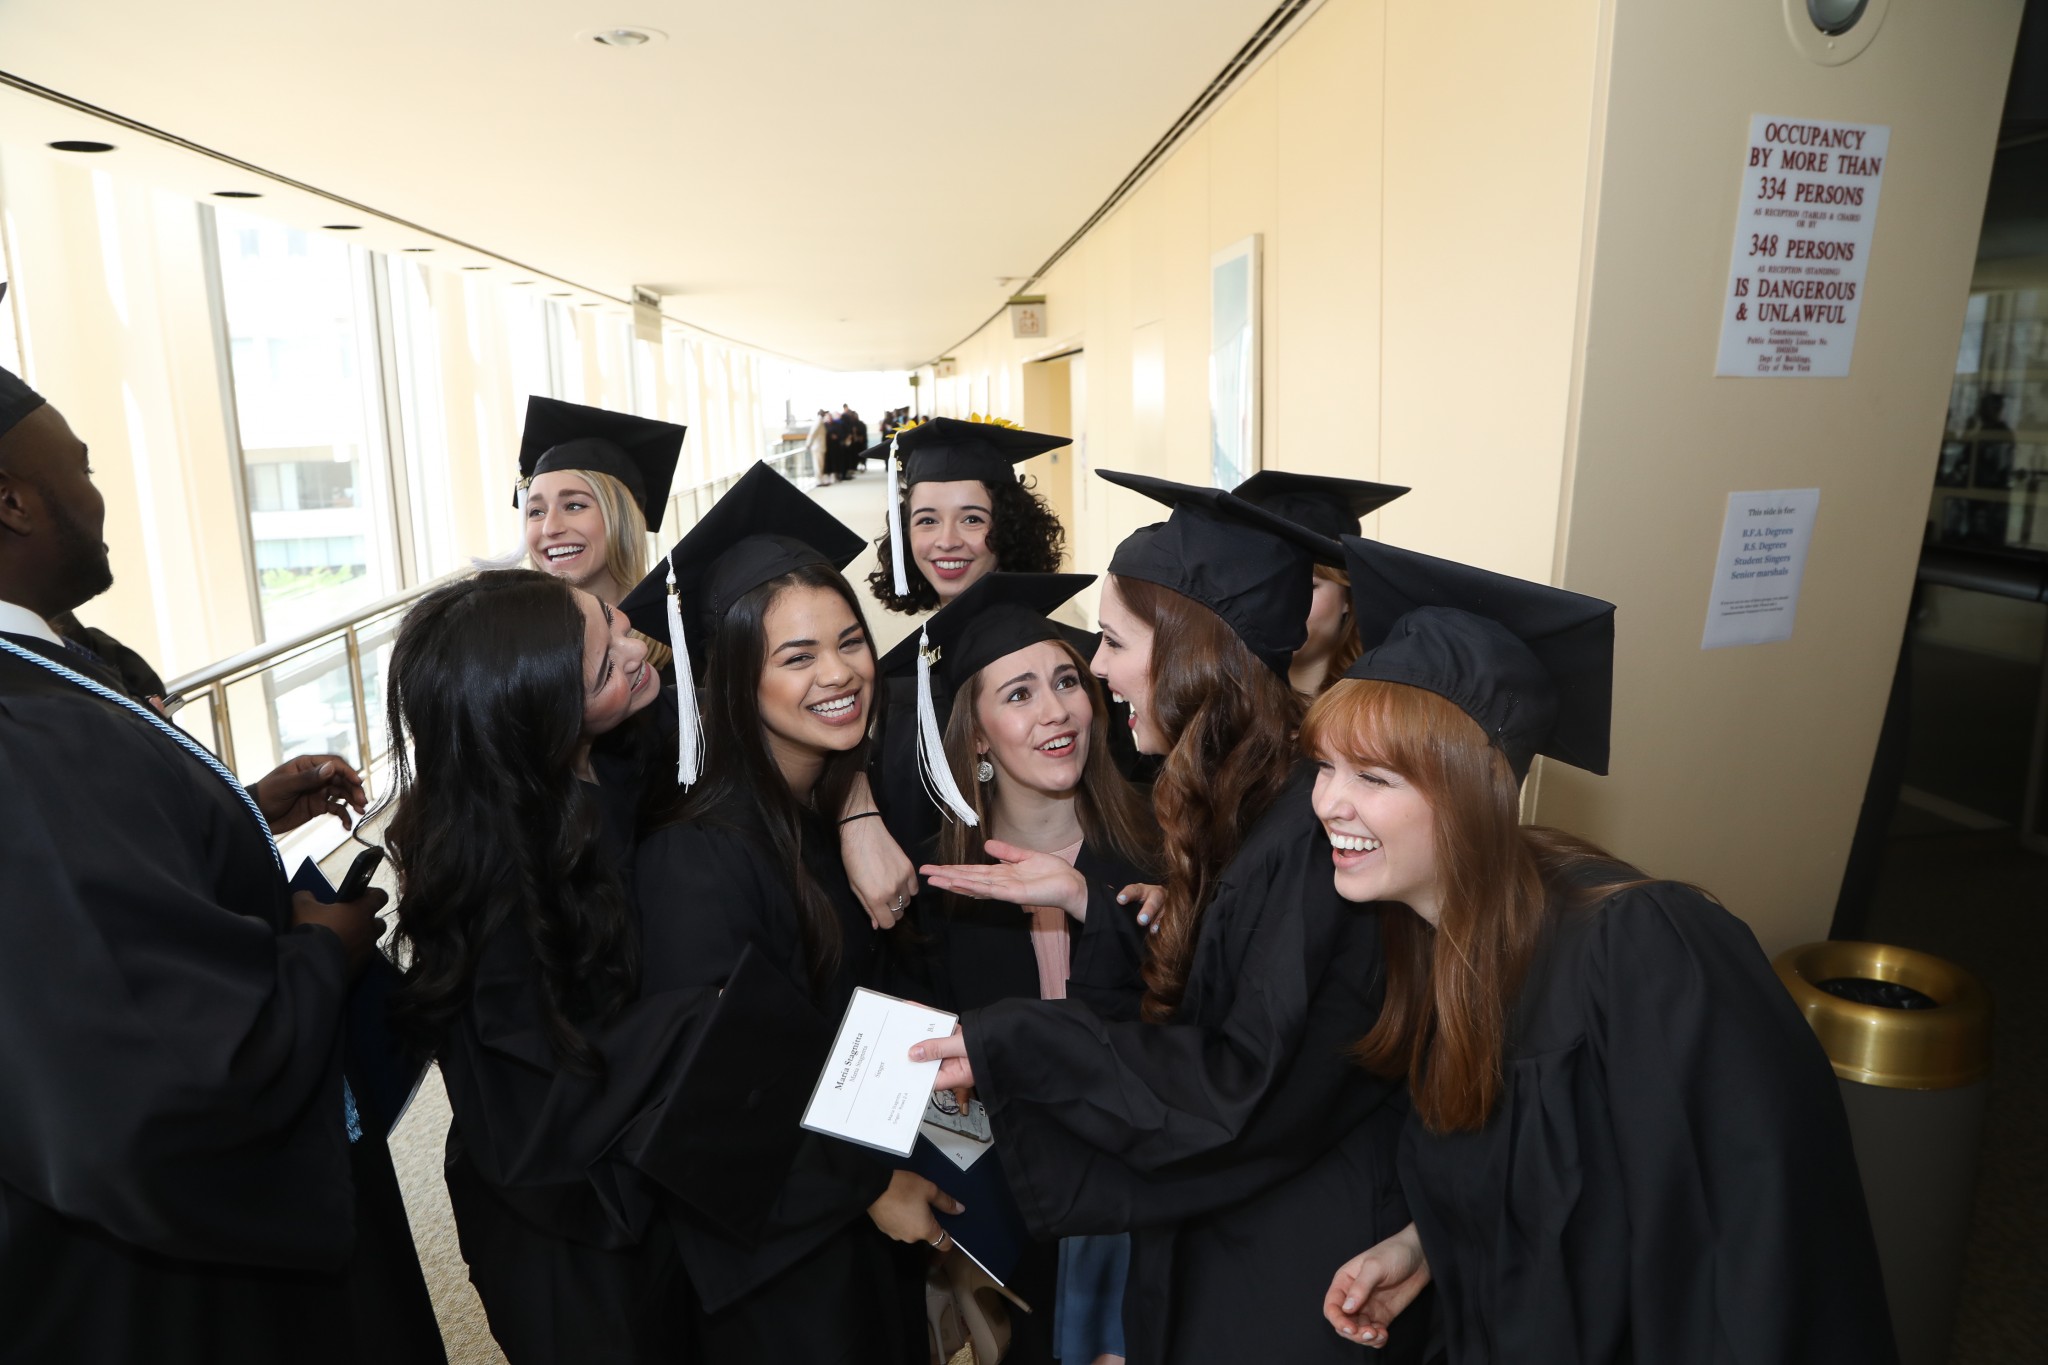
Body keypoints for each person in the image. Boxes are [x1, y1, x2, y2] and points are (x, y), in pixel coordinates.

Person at [1308, 535, 1897, 1364]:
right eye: (1326, 765)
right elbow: (1542, 1192)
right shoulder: (1436, 937)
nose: (1329, 800)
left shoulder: (1645, 949)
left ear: (1478, 792)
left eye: (1374, 777)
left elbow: (1751, 1257)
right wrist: (1424, 1245)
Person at [910, 471, 1417, 1365]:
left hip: (1302, 1258)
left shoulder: (1305, 833)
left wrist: (1015, 1042)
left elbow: (1238, 1080)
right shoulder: (1242, 803)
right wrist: (1101, 915)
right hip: (1242, 1217)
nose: (1096, 671)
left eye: (1108, 644)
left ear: (1189, 653)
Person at [0, 366, 439, 1363]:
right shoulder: (18, 737)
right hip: (151, 1283)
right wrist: (320, 952)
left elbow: (97, 887)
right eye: (79, 468)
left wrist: (237, 813)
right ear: (12, 500)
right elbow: (149, 1069)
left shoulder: (53, 668)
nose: (96, 493)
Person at [624, 462, 954, 1362]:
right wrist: (865, 1185)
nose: (842, 673)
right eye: (797, 656)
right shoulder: (697, 857)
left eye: (850, 641)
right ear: (732, 678)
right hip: (777, 1264)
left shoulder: (824, 803)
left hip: (847, 1212)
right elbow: (707, 1096)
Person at [878, 571, 1158, 1365]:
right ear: (973, 734)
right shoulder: (932, 886)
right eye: (1020, 693)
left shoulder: (1160, 852)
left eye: (1067, 680)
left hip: (1146, 1190)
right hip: (1013, 1202)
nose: (1056, 711)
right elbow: (914, 1066)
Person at [1232, 470, 1407, 699]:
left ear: (1348, 599)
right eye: (1271, 585)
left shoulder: (1381, 709)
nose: (1283, 605)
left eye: (1308, 587)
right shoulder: (1233, 705)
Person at [518, 395, 686, 607]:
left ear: (623, 518)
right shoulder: (512, 638)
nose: (549, 528)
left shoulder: (679, 635)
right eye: (536, 512)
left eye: (574, 506)